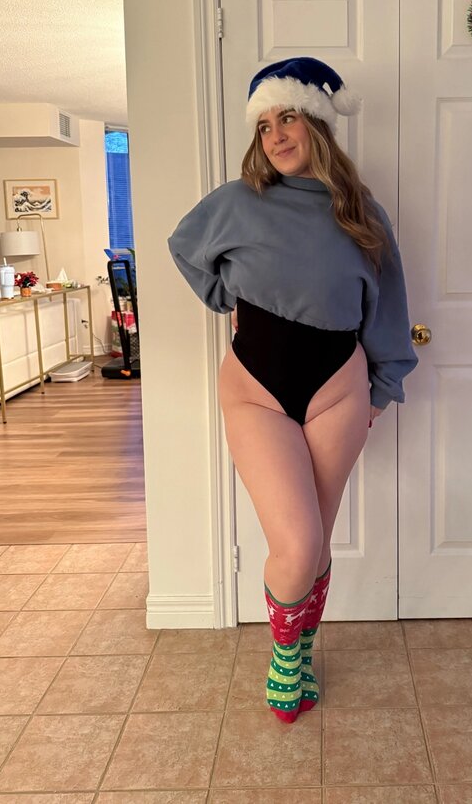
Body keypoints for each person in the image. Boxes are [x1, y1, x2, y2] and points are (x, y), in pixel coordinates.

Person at [168, 57, 418, 723]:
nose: (275, 135)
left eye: (288, 119)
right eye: (264, 124)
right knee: (297, 543)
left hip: (339, 392)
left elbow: (389, 303)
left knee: (317, 539)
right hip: (257, 391)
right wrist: (225, 295)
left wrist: (382, 387)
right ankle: (285, 655)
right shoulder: (236, 202)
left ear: (317, 125)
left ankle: (303, 647)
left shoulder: (360, 211)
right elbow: (184, 247)